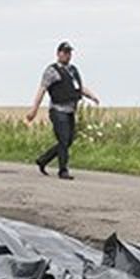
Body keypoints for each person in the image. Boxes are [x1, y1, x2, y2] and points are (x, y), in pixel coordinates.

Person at [25, 41, 100, 180]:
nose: (67, 55)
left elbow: (79, 88)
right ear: (58, 53)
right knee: (64, 140)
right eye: (65, 52)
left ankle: (43, 160)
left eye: (69, 52)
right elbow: (42, 89)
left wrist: (92, 96)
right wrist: (34, 110)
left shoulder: (73, 70)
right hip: (58, 110)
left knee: (68, 141)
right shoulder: (51, 71)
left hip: (70, 110)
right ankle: (63, 170)